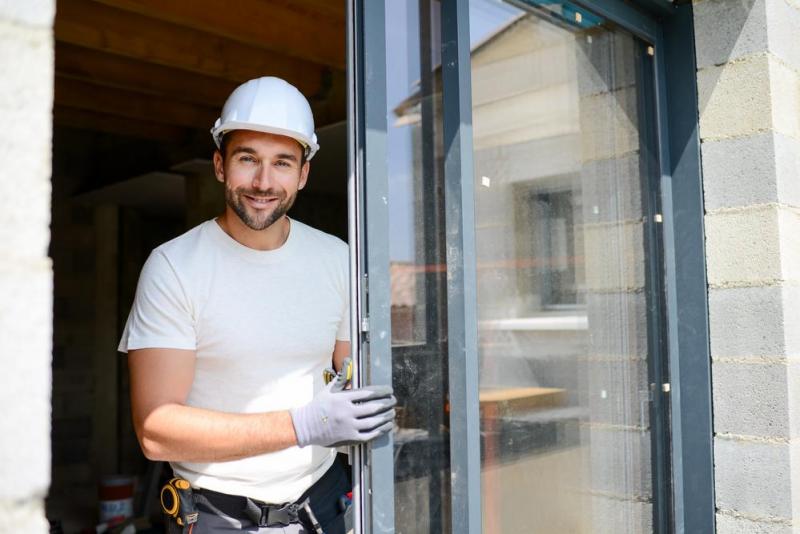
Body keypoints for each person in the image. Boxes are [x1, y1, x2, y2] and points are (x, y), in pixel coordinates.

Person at [119, 76, 396, 533]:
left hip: (325, 505)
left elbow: (351, 378)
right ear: (220, 165)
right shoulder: (174, 267)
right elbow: (155, 430)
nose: (264, 183)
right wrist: (304, 425)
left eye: (282, 163)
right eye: (248, 159)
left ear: (303, 174)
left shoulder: (336, 258)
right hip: (217, 514)